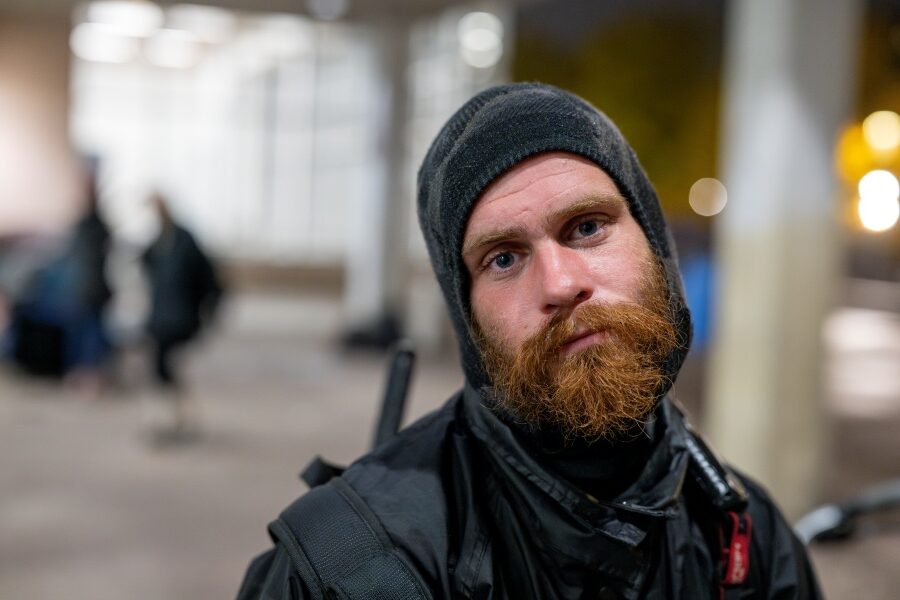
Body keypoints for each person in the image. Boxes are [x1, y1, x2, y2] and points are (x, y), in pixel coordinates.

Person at [237, 83, 821, 599]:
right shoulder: (344, 568)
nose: (561, 285)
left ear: (654, 246)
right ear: (467, 317)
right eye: (504, 258)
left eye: (587, 227)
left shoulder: (748, 544)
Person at [141, 193, 222, 439]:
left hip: (180, 318)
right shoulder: (157, 243)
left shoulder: (184, 241)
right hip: (161, 318)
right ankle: (175, 417)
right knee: (163, 369)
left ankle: (180, 418)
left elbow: (208, 280)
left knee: (169, 366)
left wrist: (205, 313)